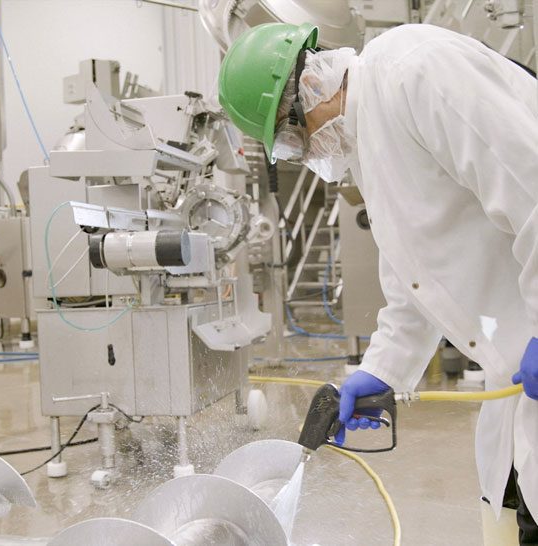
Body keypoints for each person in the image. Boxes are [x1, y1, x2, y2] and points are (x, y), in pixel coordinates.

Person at [218, 22, 538, 542]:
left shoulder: (415, 71)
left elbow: (532, 186)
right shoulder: (369, 144)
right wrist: (385, 370)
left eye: (295, 134)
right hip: (516, 378)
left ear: (313, 86)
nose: (306, 152)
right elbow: (416, 281)